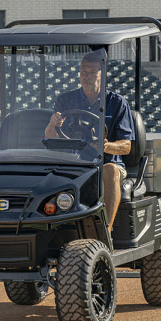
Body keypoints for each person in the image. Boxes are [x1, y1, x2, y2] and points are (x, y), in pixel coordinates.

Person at [44, 50, 134, 233]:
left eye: (93, 72)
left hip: (106, 162)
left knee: (110, 170)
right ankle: (51, 230)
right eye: (84, 72)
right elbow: (49, 138)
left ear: (102, 74)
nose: (87, 77)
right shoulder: (66, 99)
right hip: (74, 162)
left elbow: (126, 146)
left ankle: (105, 231)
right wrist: (52, 124)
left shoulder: (117, 103)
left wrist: (106, 146)